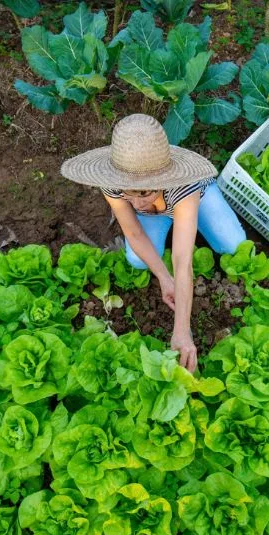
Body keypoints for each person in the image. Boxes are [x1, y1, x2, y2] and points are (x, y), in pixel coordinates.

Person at [61, 113, 246, 373]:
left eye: (144, 192)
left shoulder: (184, 185)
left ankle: (190, 222)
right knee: (137, 259)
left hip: (192, 199)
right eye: (129, 193)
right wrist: (163, 276)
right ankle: (177, 226)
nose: (135, 203)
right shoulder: (114, 182)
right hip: (156, 212)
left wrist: (182, 330)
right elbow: (133, 232)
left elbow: (183, 262)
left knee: (234, 246)